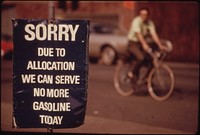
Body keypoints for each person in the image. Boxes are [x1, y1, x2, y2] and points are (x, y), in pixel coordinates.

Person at [127, 7, 168, 82]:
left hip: (141, 44)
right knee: (141, 58)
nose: (143, 16)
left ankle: (147, 78)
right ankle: (131, 73)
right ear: (140, 15)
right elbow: (138, 34)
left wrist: (160, 45)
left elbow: (154, 34)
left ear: (148, 15)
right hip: (133, 43)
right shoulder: (136, 21)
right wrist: (144, 44)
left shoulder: (149, 23)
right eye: (142, 14)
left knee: (153, 60)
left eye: (145, 15)